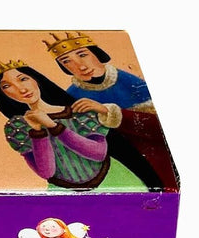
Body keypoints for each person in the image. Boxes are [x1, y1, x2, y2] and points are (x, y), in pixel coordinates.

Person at [44, 32, 176, 190]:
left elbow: (158, 129)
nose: (81, 66)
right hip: (111, 166)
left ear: (97, 54)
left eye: (83, 55)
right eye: (66, 61)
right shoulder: (72, 96)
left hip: (152, 156)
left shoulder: (130, 82)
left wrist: (107, 111)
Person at [0, 60, 145, 190]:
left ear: (36, 79)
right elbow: (47, 172)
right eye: (6, 86)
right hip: (63, 190)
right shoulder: (18, 127)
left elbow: (98, 153)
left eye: (23, 79)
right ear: (3, 94)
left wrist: (53, 126)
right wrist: (37, 132)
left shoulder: (79, 110)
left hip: (112, 178)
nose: (21, 89)